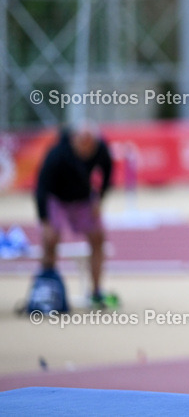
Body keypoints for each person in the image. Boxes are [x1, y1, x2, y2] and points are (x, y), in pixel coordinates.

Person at [34, 121, 117, 309]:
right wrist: (44, 219)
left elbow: (108, 171)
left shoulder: (100, 149)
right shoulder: (57, 154)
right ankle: (48, 289)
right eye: (82, 143)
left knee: (98, 237)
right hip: (57, 198)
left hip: (83, 199)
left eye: (90, 144)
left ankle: (96, 292)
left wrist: (99, 198)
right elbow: (42, 187)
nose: (86, 149)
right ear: (75, 140)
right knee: (51, 239)